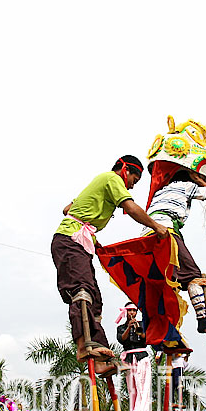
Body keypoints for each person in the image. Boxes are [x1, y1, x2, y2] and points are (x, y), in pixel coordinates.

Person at [52, 156, 167, 375]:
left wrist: (91, 236)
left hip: (79, 242)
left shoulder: (102, 182)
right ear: (124, 169)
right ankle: (83, 345)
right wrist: (155, 226)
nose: (133, 184)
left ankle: (100, 357)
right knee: (82, 291)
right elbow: (131, 208)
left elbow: (67, 209)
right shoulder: (112, 178)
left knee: (95, 298)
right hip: (69, 241)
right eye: (135, 177)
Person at [142, 117, 206, 334]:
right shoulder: (187, 186)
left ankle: (151, 326)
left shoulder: (161, 191)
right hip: (166, 230)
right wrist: (197, 179)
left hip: (146, 235)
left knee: (159, 281)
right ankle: (204, 321)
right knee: (193, 275)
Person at [116, 302, 151, 411]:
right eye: (129, 310)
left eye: (134, 311)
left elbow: (145, 338)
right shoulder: (121, 327)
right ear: (126, 312)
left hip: (141, 357)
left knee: (143, 389)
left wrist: (137, 327)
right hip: (129, 359)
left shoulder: (142, 324)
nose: (132, 313)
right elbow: (122, 339)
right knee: (133, 391)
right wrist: (128, 327)